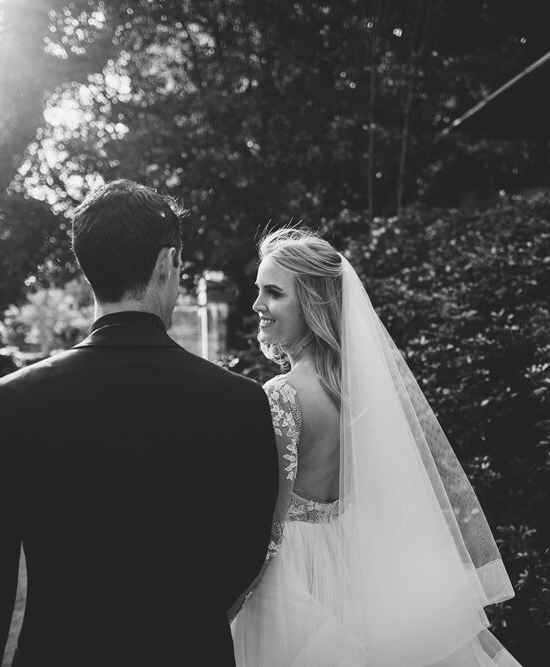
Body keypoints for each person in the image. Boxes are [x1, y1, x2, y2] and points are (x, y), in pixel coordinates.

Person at [0, 180, 278, 666]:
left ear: (87, 270)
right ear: (168, 262)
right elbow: (246, 557)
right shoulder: (240, 402)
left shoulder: (14, 400)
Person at [231, 228, 522, 666]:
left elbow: (268, 528)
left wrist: (230, 603)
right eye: (259, 292)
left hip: (291, 578)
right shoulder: (360, 395)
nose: (257, 306)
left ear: (313, 304)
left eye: (273, 293)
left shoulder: (283, 396)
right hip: (354, 568)